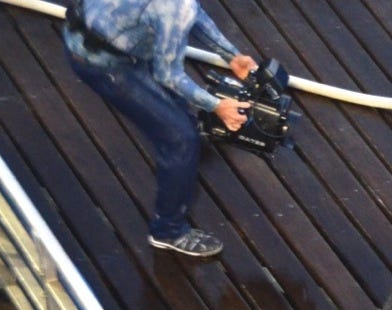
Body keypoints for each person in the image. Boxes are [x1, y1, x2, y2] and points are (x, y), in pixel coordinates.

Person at [63, 0, 259, 258]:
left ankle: (177, 120)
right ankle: (168, 231)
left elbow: (190, 13)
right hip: (107, 67)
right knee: (181, 139)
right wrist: (216, 106)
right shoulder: (174, 5)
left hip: (83, 36)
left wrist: (230, 54)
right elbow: (168, 75)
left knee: (176, 112)